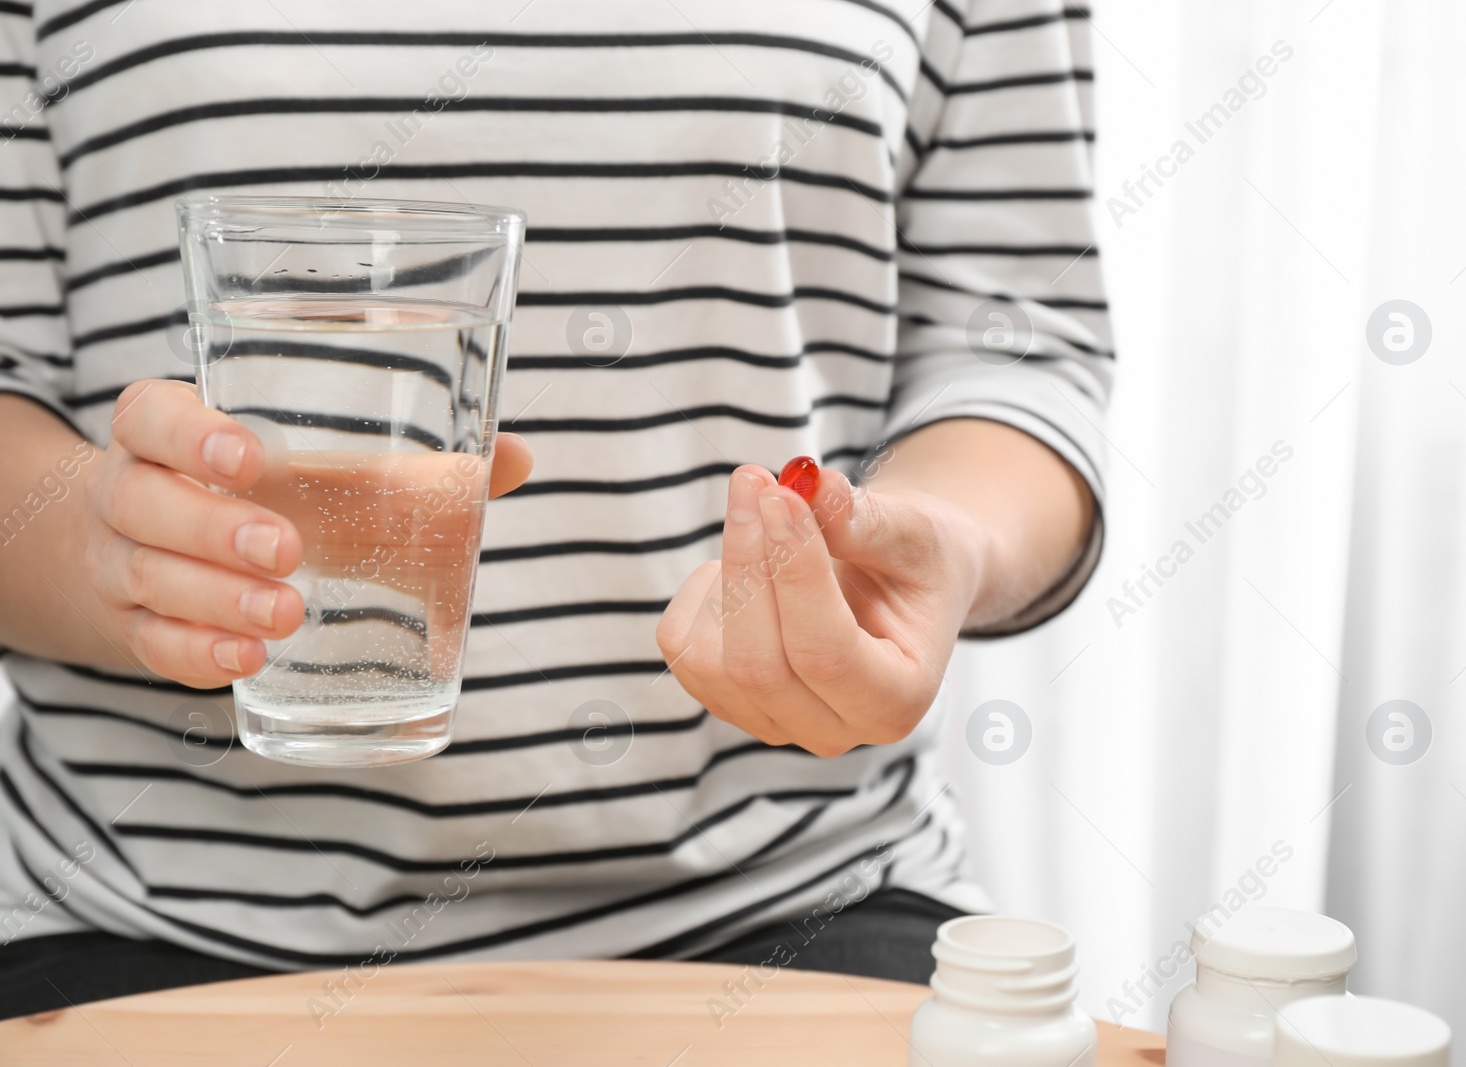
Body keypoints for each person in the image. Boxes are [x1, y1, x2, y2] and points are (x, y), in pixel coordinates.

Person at [0, 0, 1111, 1018]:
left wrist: (930, 544)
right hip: (137, 913)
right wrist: (104, 552)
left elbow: (1016, 348)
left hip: (804, 894)